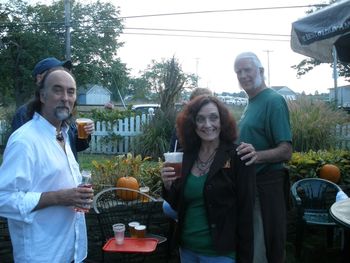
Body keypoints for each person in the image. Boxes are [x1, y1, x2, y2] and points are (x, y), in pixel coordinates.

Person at [0, 68, 94, 262]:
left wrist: (79, 196)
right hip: (41, 254)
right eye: (57, 90)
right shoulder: (25, 140)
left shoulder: (64, 134)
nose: (66, 98)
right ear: (42, 95)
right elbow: (3, 199)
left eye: (71, 91)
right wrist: (60, 197)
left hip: (71, 251)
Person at [161, 95, 256, 263]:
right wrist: (168, 186)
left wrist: (245, 257)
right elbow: (178, 205)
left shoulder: (238, 156)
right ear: (193, 124)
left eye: (214, 118)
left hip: (220, 254)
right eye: (200, 119)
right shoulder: (185, 156)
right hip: (187, 249)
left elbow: (246, 212)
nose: (208, 125)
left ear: (222, 121)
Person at [234, 52, 292, 263]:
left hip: (265, 188)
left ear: (260, 71)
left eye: (247, 69)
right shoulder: (251, 102)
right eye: (238, 71)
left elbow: (285, 150)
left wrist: (256, 156)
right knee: (251, 246)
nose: (242, 75)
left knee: (262, 248)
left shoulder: (273, 100)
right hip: (249, 185)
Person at [11, 57, 94, 161]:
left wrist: (85, 134)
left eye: (71, 92)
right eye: (54, 71)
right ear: (40, 79)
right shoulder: (24, 114)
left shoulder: (63, 113)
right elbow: (25, 154)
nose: (65, 97)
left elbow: (75, 146)